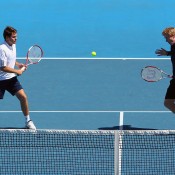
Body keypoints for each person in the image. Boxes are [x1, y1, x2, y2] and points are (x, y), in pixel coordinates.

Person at [0, 26, 36, 129]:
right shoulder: (2, 48)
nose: (16, 39)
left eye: (16, 36)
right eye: (14, 37)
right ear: (7, 37)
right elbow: (2, 67)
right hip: (1, 80)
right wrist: (18, 71)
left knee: (23, 97)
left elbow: (10, 60)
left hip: (11, 79)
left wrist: (18, 64)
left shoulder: (13, 45)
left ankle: (28, 120)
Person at [155, 27, 175, 113]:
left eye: (167, 37)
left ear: (173, 36)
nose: (166, 40)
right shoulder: (173, 46)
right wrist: (167, 53)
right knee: (168, 103)